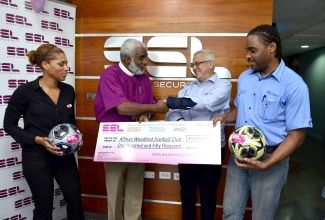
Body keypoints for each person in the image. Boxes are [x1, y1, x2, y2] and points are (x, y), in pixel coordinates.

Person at [212, 24, 313, 219]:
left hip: (271, 161)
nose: (248, 56)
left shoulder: (294, 85)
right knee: (230, 213)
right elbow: (241, 109)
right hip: (238, 159)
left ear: (272, 48)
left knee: (261, 217)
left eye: (252, 50)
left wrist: (266, 164)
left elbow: (297, 136)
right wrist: (225, 116)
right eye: (246, 51)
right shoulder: (245, 78)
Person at [3, 44, 84, 219]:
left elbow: (70, 120)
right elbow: (9, 125)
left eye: (66, 64)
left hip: (64, 157)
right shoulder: (24, 92)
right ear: (46, 65)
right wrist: (38, 140)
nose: (66, 68)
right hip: (36, 159)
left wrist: (76, 135)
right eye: (61, 64)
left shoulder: (68, 91)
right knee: (44, 206)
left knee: (75, 201)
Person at [94, 38, 169, 220]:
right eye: (141, 58)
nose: (145, 62)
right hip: (115, 141)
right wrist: (155, 109)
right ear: (127, 59)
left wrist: (147, 114)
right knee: (115, 189)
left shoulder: (143, 77)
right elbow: (122, 108)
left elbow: (148, 105)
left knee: (136, 188)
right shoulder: (110, 75)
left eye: (146, 57)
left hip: (138, 140)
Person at [166, 49, 232, 220]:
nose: (194, 67)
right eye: (192, 64)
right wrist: (181, 123)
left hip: (211, 148)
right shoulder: (187, 88)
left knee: (208, 195)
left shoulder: (223, 85)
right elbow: (171, 114)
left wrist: (174, 102)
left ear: (210, 64)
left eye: (197, 63)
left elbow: (206, 104)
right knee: (186, 193)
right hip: (187, 146)